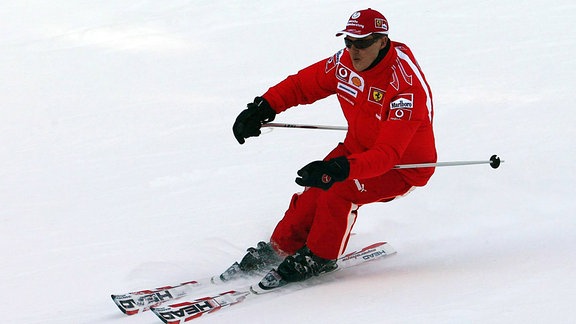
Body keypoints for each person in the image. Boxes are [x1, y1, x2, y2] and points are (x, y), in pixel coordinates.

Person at [231, 8, 437, 284]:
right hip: (358, 148)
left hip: (401, 167)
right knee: (314, 189)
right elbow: (303, 85)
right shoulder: (345, 64)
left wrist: (342, 168)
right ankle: (281, 247)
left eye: (363, 43)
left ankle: (320, 257)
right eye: (349, 42)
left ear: (382, 42)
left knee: (338, 188)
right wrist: (263, 107)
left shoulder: (405, 88)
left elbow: (387, 154)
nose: (354, 50)